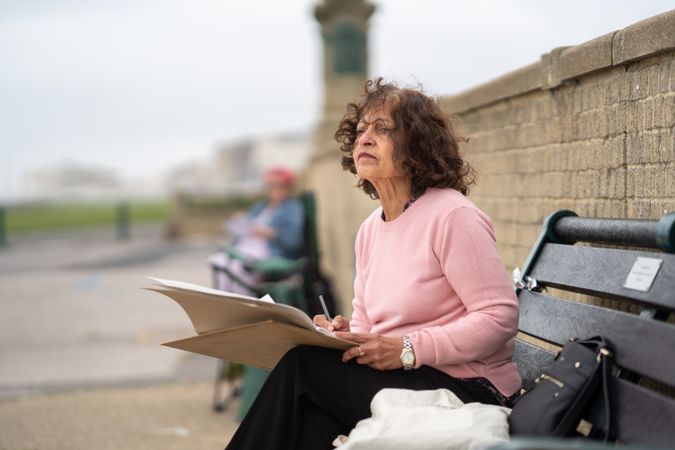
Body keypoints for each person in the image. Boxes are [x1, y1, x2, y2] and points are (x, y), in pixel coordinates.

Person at [224, 78, 521, 450]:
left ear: (417, 144)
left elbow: (499, 317)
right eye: (361, 129)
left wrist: (408, 349)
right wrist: (344, 335)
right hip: (406, 377)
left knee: (303, 368)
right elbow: (368, 324)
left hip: (467, 386)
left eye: (383, 129)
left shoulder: (452, 215)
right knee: (312, 420)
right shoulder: (370, 230)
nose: (364, 139)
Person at [210, 166, 304, 295]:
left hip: (269, 250)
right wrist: (240, 221)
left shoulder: (292, 208)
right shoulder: (260, 207)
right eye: (270, 185)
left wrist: (271, 233)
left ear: (288, 187)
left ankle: (244, 304)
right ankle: (224, 299)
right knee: (219, 261)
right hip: (247, 245)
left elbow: (294, 240)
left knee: (238, 267)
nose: (274, 189)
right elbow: (247, 227)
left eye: (279, 185)